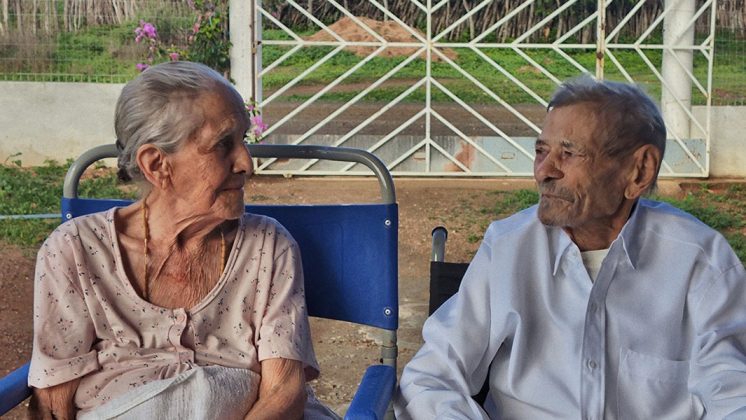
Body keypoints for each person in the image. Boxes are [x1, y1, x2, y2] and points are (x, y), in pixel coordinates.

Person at [395, 76, 746, 419]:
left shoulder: (702, 262)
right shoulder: (508, 248)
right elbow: (431, 378)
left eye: (569, 153)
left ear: (639, 171)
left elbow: (732, 391)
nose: (543, 171)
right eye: (541, 150)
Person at [28, 61, 338, 419]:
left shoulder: (269, 246)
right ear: (157, 165)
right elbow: (53, 405)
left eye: (243, 140)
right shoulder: (74, 251)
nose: (247, 164)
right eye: (223, 144)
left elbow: (284, 392)